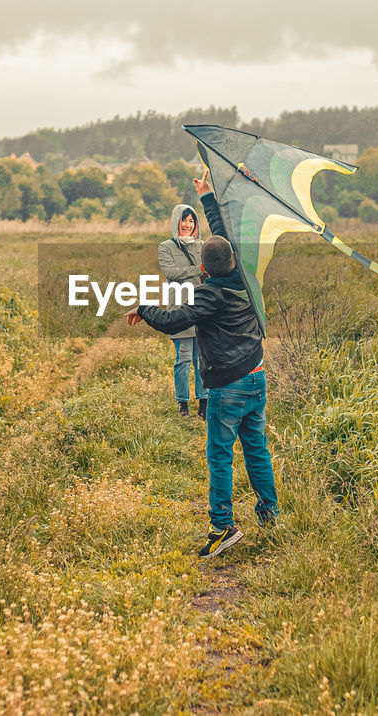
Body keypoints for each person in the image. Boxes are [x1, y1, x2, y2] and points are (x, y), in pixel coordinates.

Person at [127, 171, 280, 558]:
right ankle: (270, 515)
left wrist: (144, 309)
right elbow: (223, 233)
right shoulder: (245, 274)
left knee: (220, 455)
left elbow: (173, 321)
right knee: (257, 448)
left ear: (205, 269)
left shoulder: (209, 296)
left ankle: (222, 527)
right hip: (257, 376)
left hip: (227, 386)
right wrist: (208, 196)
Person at [158, 204, 207, 419]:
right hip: (179, 309)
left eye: (191, 221)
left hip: (202, 309)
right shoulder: (166, 247)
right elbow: (171, 272)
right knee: (183, 359)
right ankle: (183, 404)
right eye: (184, 220)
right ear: (176, 221)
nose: (187, 225)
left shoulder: (203, 245)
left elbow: (211, 269)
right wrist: (199, 270)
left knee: (202, 360)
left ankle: (204, 403)